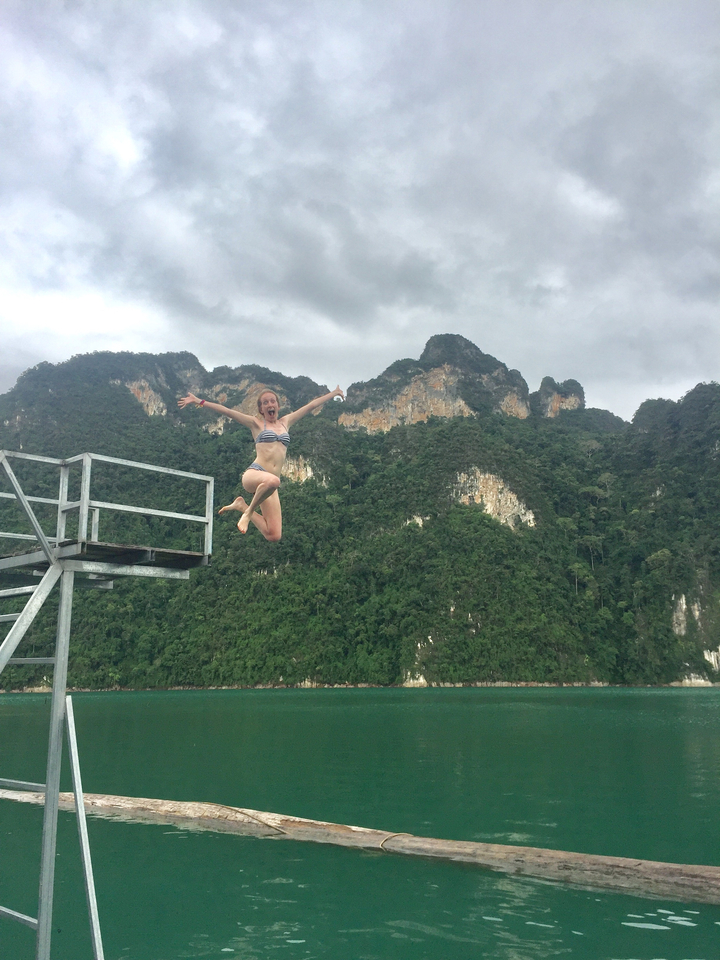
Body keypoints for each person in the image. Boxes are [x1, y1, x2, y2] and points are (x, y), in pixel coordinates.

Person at [177, 385, 344, 541]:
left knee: (274, 535)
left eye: (272, 401)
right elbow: (227, 411)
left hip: (269, 485)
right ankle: (249, 513)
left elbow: (310, 406)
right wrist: (200, 401)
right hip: (255, 474)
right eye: (265, 403)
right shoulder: (256, 424)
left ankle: (242, 506)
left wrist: (334, 393)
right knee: (274, 481)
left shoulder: (286, 422)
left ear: (278, 406)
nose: (269, 404)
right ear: (261, 409)